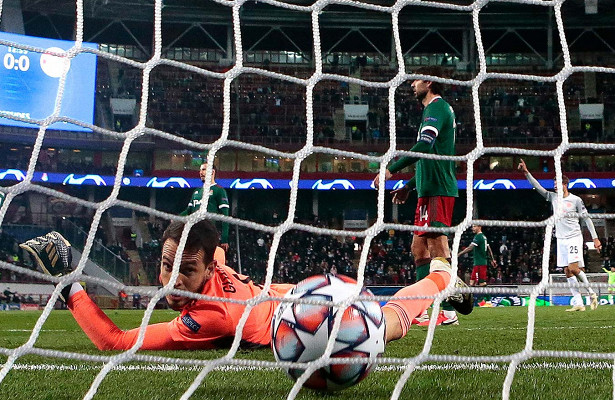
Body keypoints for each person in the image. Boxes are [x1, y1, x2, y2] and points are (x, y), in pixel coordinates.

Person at [19, 222, 472, 351]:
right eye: (166, 265)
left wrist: (69, 283)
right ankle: (443, 282)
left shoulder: (209, 318)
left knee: (390, 323)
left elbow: (114, 341)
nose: (173, 281)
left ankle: (442, 276)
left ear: (204, 272)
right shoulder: (213, 263)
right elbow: (215, 252)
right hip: (294, 293)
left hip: (312, 320)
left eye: (185, 271)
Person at [372, 65, 460, 326]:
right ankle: (421, 309)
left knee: (437, 247)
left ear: (429, 82)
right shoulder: (431, 110)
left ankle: (449, 311)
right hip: (427, 189)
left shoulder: (437, 108)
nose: (412, 84)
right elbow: (428, 157)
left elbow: (424, 145)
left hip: (438, 188)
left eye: (416, 80)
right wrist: (410, 186)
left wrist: (392, 169)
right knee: (418, 249)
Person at [518, 159, 601, 311]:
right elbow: (538, 187)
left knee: (573, 268)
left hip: (574, 237)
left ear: (565, 184)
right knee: (567, 271)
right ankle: (579, 303)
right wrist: (526, 173)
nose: (555, 186)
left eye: (557, 184)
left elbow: (587, 219)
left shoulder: (576, 200)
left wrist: (595, 238)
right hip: (561, 239)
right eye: (554, 184)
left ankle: (592, 293)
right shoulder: (553, 197)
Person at [180, 162, 230, 265]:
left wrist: (225, 238)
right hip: (194, 233)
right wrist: (176, 218)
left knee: (209, 262)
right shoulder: (197, 192)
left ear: (212, 172)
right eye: (200, 170)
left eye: (203, 169)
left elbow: (225, 216)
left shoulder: (219, 191)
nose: (200, 172)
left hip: (209, 234)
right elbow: (188, 211)